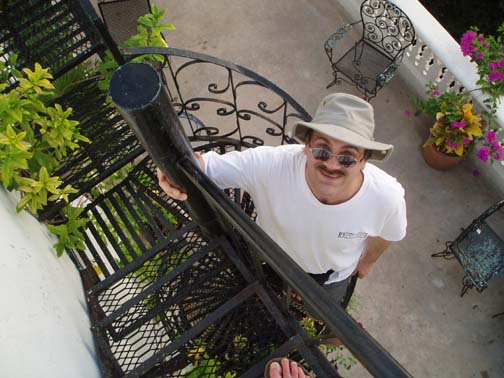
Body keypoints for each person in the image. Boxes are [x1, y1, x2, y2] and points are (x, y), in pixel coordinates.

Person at [157, 92, 407, 314]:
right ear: (306, 146)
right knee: (269, 301)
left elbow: (388, 234)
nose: (331, 165)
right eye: (322, 150)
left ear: (365, 161)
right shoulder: (270, 166)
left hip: (330, 276)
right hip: (273, 259)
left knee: (321, 312)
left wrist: (368, 262)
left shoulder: (387, 197)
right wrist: (173, 171)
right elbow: (207, 167)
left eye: (347, 157)